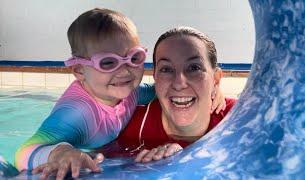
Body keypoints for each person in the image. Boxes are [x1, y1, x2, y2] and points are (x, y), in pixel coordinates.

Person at [14, 9, 226, 180]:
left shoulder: (130, 92)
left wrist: (211, 88)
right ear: (79, 71)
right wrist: (60, 153)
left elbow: (167, 89)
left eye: (134, 58)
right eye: (108, 62)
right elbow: (24, 151)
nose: (124, 71)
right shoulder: (78, 111)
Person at [100, 26, 236, 163]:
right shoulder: (126, 121)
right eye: (166, 69)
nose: (179, 83)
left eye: (194, 68)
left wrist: (184, 156)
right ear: (155, 77)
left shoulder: (238, 116)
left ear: (216, 79)